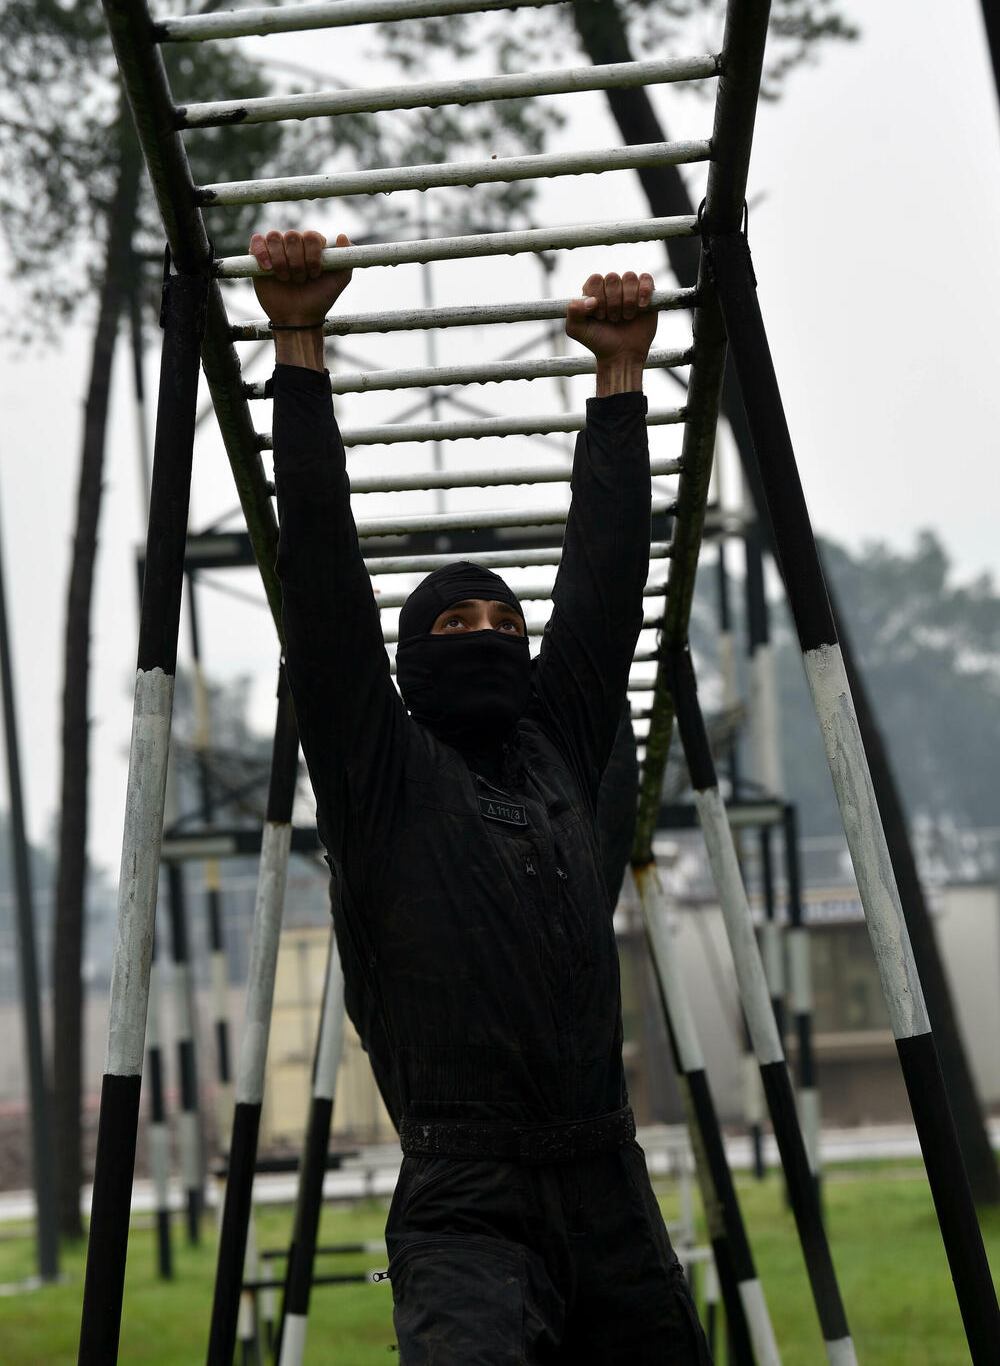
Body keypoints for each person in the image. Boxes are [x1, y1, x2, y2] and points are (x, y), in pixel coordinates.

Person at [251, 227, 712, 1365]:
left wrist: (617, 379)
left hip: (607, 1179)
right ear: (410, 665)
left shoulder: (559, 744)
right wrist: (299, 344)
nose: (488, 637)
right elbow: (322, 583)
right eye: (455, 627)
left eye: (506, 624)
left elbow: (603, 585)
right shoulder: (381, 769)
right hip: (467, 1196)